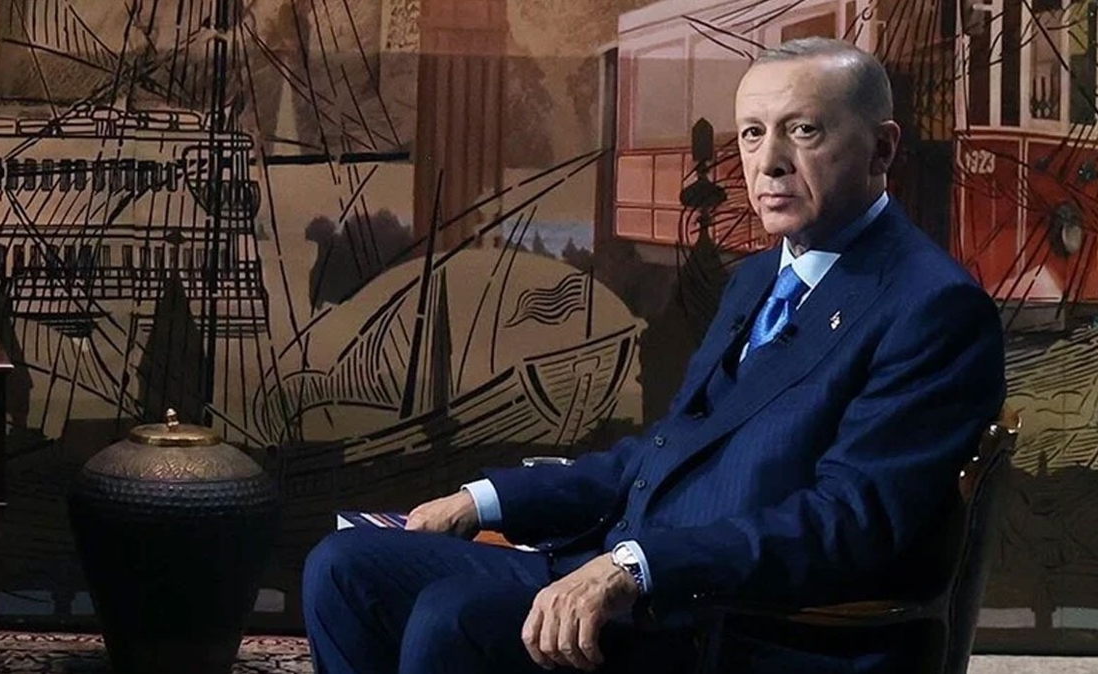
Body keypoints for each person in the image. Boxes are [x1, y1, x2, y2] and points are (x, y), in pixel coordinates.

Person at [301, 36, 1006, 674]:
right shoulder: (759, 277)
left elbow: (847, 523)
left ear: (882, 149)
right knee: (346, 566)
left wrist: (636, 567)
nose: (768, 163)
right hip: (641, 572)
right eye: (752, 133)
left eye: (804, 131)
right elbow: (668, 453)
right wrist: (482, 500)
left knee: (454, 615)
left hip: (746, 622)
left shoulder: (932, 306)